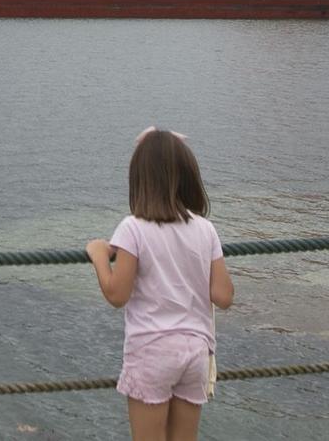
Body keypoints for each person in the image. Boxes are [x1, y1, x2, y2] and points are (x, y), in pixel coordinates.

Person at [85, 127, 234, 441]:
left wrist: (99, 255)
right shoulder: (206, 229)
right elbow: (223, 296)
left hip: (152, 351)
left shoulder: (133, 229)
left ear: (139, 178)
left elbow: (117, 294)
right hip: (195, 352)